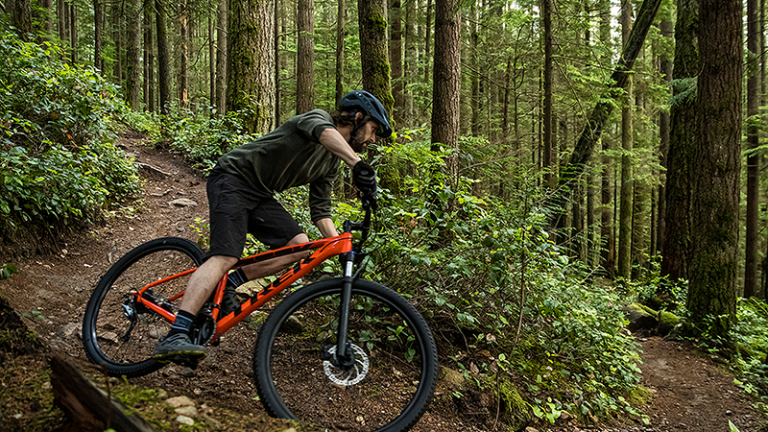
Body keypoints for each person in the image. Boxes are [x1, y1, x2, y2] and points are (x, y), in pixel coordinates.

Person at [152, 90, 392, 364]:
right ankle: (177, 331)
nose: (372, 139)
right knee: (226, 255)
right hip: (232, 178)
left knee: (299, 247)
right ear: (358, 117)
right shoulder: (318, 119)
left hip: (260, 194)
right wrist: (358, 164)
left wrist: (339, 247)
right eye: (373, 129)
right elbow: (324, 132)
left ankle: (230, 281)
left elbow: (321, 211)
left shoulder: (330, 163)